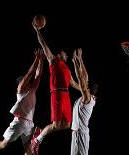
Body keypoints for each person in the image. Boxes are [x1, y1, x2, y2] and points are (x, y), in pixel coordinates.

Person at [31, 16, 79, 155]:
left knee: (67, 125)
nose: (67, 55)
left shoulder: (67, 69)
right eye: (65, 53)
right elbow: (44, 45)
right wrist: (37, 31)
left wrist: (84, 90)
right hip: (57, 94)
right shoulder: (53, 61)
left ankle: (40, 134)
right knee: (57, 125)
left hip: (66, 95)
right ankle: (37, 139)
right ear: (59, 55)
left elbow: (73, 83)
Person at [0, 49, 44, 155]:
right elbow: (30, 73)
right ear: (20, 83)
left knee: (29, 150)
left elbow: (38, 75)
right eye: (26, 81)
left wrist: (41, 61)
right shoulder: (20, 90)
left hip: (29, 123)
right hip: (19, 122)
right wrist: (37, 58)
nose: (29, 83)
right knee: (4, 144)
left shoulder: (32, 90)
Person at [71, 48, 98, 155]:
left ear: (88, 89)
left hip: (81, 134)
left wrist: (74, 61)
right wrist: (80, 59)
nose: (84, 84)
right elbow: (76, 81)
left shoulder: (88, 98)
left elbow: (80, 77)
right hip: (76, 134)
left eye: (85, 86)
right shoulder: (85, 96)